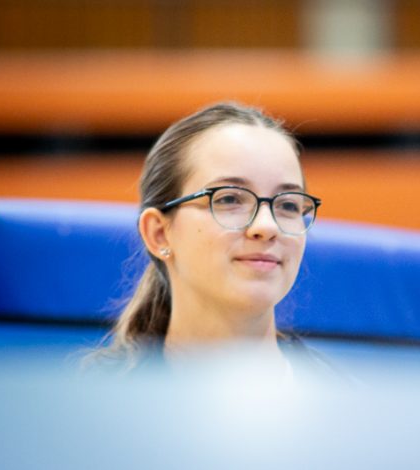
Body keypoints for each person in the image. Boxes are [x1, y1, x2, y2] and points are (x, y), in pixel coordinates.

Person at [85, 102, 322, 375]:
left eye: (288, 205)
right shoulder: (95, 396)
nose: (267, 226)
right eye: (229, 199)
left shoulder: (343, 394)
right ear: (159, 234)